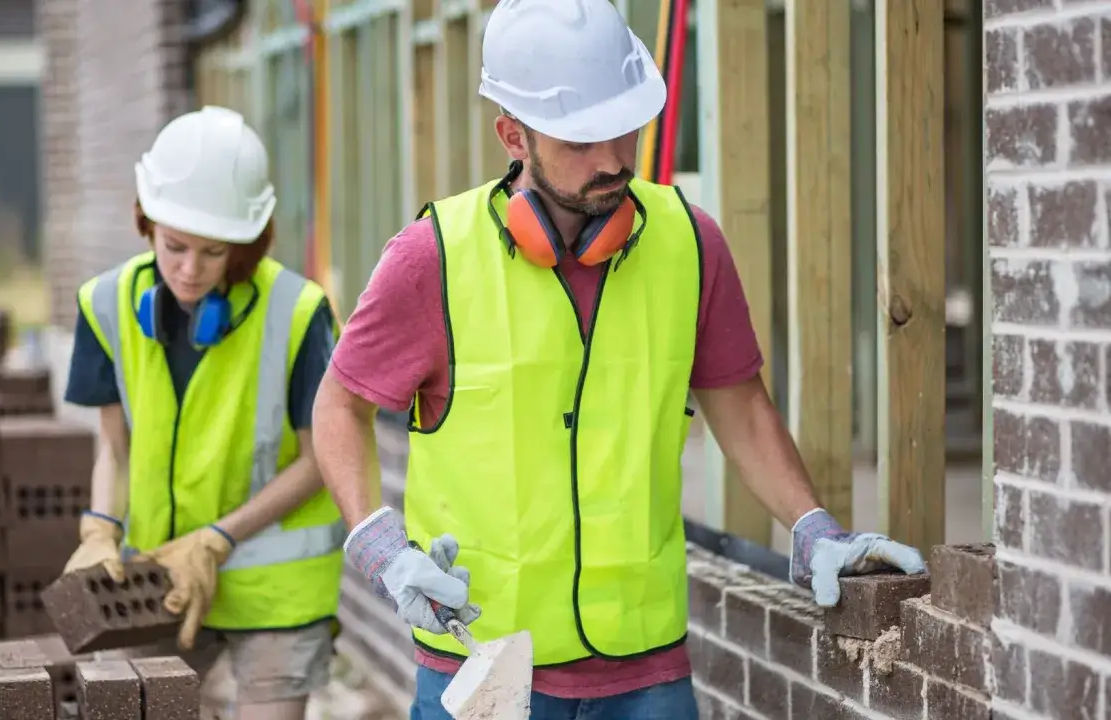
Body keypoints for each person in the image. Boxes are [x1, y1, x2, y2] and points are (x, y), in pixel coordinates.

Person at [310, 2, 926, 719]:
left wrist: (813, 525)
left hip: (646, 673)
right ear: (513, 135)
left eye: (622, 126)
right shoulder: (431, 259)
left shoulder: (690, 243)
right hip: (482, 668)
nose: (612, 159)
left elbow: (740, 404)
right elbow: (340, 403)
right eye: (579, 140)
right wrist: (378, 544)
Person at [60, 105, 345, 720]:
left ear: (247, 243)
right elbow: (114, 445)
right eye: (174, 247)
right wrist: (99, 530)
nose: (189, 271)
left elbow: (325, 457)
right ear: (147, 224)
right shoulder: (105, 304)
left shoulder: (297, 312)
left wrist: (217, 541)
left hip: (276, 594)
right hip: (160, 581)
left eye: (214, 253)